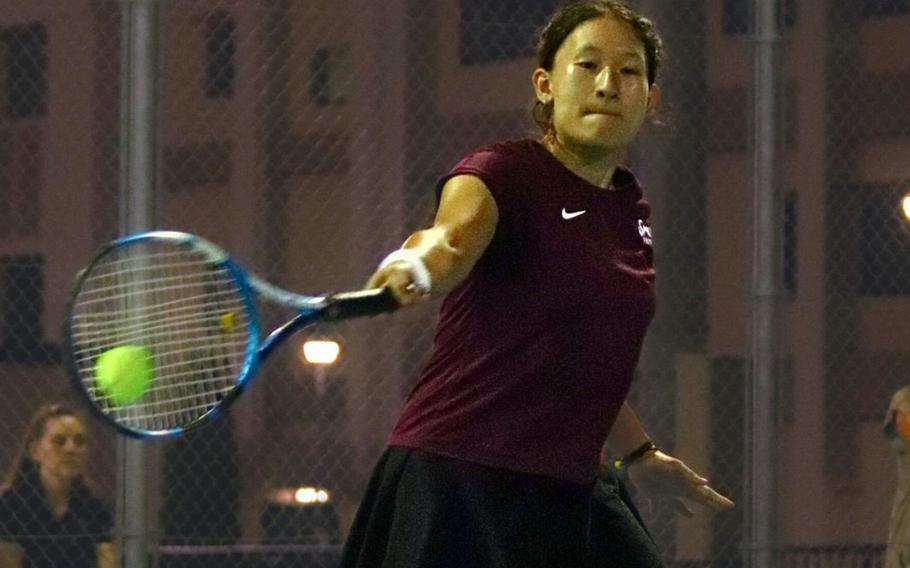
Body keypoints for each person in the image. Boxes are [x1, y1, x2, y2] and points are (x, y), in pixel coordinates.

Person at [342, 2, 733, 566]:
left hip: (570, 481)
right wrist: (419, 263)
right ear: (546, 85)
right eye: (588, 65)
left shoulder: (629, 206)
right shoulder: (499, 172)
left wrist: (640, 454)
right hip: (460, 476)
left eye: (628, 72)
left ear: (650, 100)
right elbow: (450, 237)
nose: (607, 84)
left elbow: (580, 362)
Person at [0, 404, 114, 568]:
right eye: (59, 441)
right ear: (35, 451)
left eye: (79, 441)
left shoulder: (94, 506)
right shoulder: (12, 505)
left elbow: (107, 562)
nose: (71, 449)